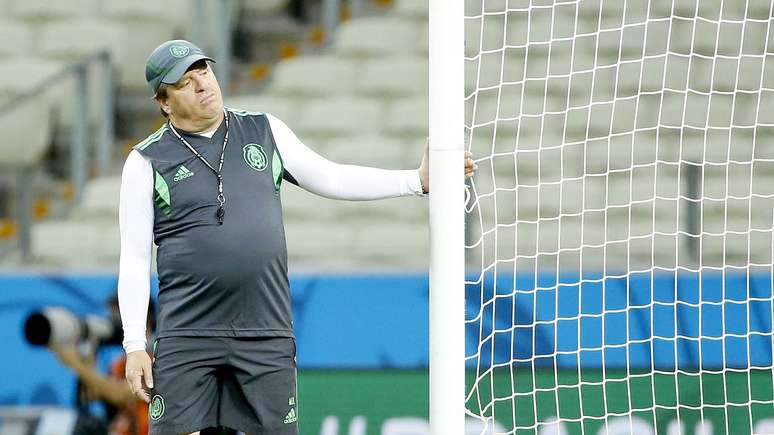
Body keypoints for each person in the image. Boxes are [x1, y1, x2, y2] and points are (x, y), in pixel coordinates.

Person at [118, 39, 476, 435]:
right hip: (188, 334)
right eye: (185, 82)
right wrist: (135, 344)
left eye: (203, 71)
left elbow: (331, 176)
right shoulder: (146, 160)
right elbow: (134, 258)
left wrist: (415, 181)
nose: (202, 84)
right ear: (164, 102)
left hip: (264, 331)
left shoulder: (263, 130)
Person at [50, 296, 155, 435]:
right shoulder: (120, 365)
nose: (115, 326)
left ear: (144, 321)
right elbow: (91, 394)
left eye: (119, 320)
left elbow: (120, 394)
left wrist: (75, 363)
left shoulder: (159, 357)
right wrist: (88, 354)